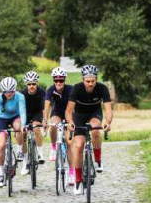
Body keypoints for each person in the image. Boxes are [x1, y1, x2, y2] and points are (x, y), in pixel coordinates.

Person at [66, 64, 112, 195]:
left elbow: (108, 109)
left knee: (95, 130)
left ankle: (98, 161)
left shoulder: (102, 88)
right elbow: (69, 110)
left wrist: (108, 123)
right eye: (87, 81)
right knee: (79, 145)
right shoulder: (77, 88)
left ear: (96, 79)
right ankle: (78, 180)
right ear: (83, 80)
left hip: (94, 114)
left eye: (93, 81)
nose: (90, 84)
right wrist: (70, 123)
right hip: (79, 116)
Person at [0, 76, 27, 187]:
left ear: (14, 89)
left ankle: (20, 150)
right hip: (2, 119)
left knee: (18, 126)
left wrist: (23, 125)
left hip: (15, 117)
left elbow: (22, 112)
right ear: (2, 91)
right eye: (6, 92)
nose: (8, 94)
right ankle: (1, 174)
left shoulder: (20, 97)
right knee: (1, 145)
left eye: (11, 91)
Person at [43, 66, 76, 184]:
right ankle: (53, 147)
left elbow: (75, 106)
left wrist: (73, 121)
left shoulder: (71, 89)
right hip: (57, 112)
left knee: (69, 143)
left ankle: (72, 173)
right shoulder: (50, 90)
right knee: (53, 125)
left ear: (64, 80)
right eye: (56, 80)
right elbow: (46, 106)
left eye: (61, 80)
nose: (58, 82)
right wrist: (45, 120)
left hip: (69, 114)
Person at [20, 70, 46, 175]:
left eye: (34, 84)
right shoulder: (22, 94)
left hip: (37, 113)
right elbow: (19, 109)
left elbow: (44, 108)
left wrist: (44, 119)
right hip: (25, 114)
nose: (31, 86)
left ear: (37, 84)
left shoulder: (42, 92)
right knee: (23, 134)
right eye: (29, 84)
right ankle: (25, 163)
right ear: (26, 84)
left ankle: (40, 154)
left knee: (35, 128)